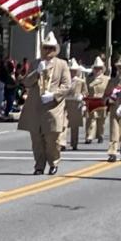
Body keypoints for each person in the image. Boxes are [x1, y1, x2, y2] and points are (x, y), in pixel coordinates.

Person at [18, 31, 70, 175]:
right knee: (37, 140)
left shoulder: (62, 64)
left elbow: (66, 85)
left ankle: (53, 163)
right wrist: (36, 73)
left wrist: (54, 95)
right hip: (35, 107)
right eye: (46, 47)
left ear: (56, 49)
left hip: (52, 107)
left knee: (52, 139)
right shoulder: (36, 63)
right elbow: (26, 83)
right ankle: (39, 166)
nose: (48, 51)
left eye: (51, 48)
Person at [86, 57, 110, 144]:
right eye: (96, 68)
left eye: (99, 68)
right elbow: (86, 90)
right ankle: (89, 136)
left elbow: (109, 90)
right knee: (91, 119)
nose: (97, 70)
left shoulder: (107, 79)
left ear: (102, 69)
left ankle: (101, 135)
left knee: (101, 120)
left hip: (102, 100)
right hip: (92, 100)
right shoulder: (89, 79)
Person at [62, 60, 86, 150]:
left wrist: (82, 97)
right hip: (65, 103)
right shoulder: (64, 80)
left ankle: (74, 143)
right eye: (71, 70)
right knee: (63, 124)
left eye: (74, 70)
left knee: (74, 125)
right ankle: (62, 143)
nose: (72, 72)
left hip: (76, 103)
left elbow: (85, 92)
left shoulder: (81, 81)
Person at [108, 58, 121, 163]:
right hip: (115, 108)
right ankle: (112, 152)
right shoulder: (112, 81)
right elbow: (106, 94)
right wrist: (108, 99)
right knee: (114, 131)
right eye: (119, 67)